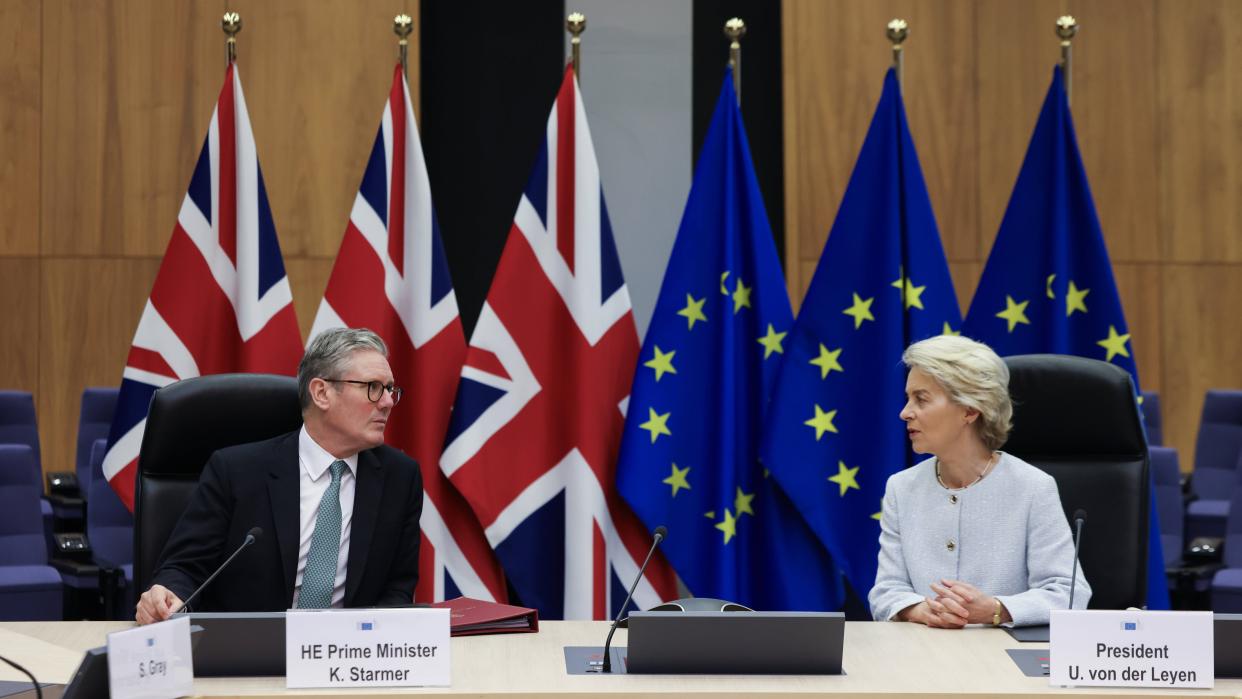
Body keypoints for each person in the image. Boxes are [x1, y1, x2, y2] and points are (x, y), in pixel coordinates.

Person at [135, 328, 423, 625]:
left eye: (390, 389)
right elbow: (185, 567)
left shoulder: (400, 478)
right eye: (373, 387)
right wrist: (168, 595)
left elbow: (397, 588)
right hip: (249, 644)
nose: (388, 402)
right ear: (321, 393)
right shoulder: (236, 471)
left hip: (348, 646)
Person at [868, 335, 1089, 627]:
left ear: (970, 410)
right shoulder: (901, 487)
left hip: (1002, 652)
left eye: (921, 399)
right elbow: (886, 590)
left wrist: (995, 609)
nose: (905, 412)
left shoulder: (1033, 487)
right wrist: (919, 610)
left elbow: (1069, 593)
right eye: (909, 399)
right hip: (922, 647)